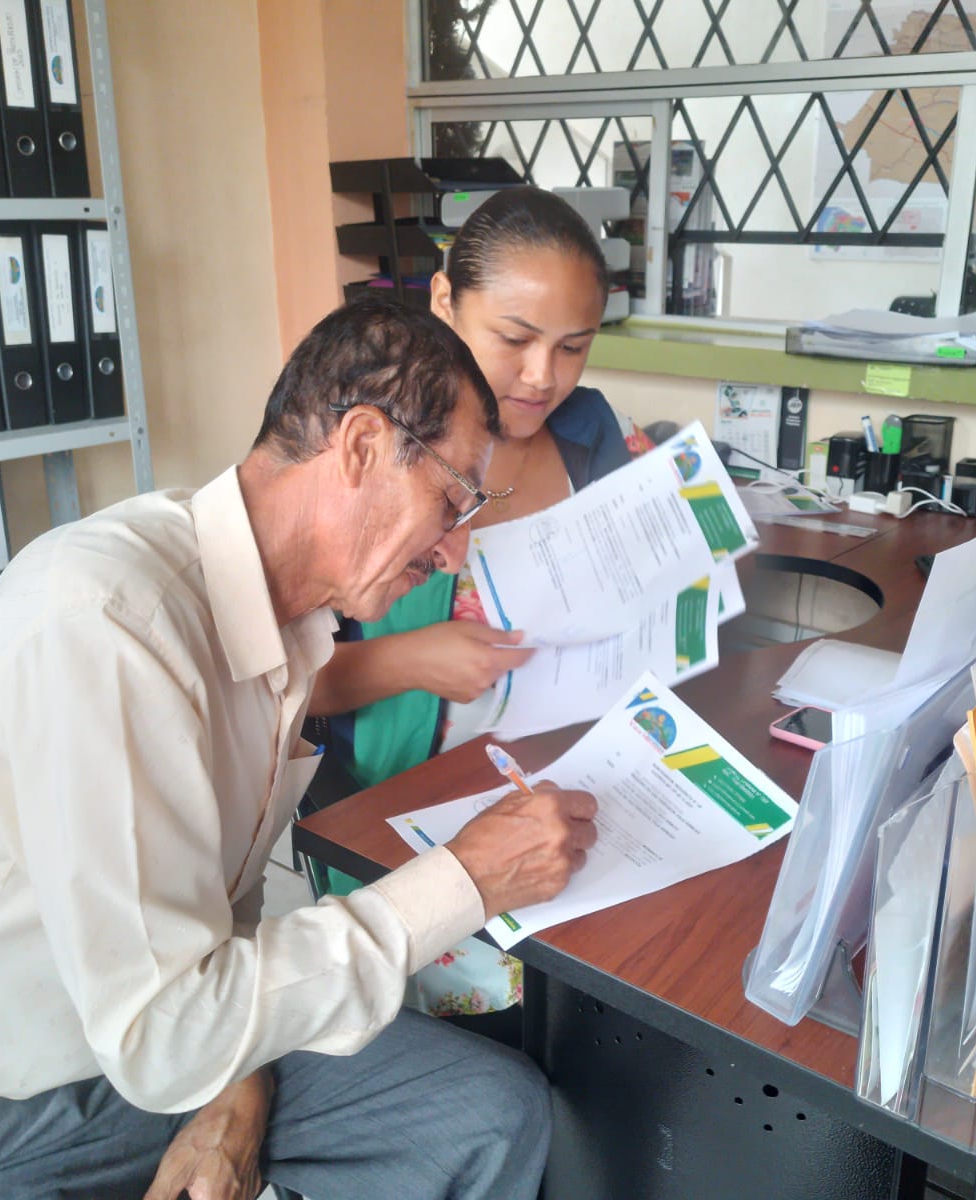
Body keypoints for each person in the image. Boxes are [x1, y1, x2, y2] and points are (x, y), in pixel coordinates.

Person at [0, 298, 599, 1200]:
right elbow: (165, 1036)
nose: (454, 552)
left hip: (140, 1048)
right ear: (361, 445)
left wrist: (238, 1085)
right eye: (454, 500)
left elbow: (213, 921)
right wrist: (466, 880)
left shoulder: (284, 618)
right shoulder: (107, 625)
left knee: (488, 1114)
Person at [310, 186, 653, 1021]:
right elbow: (284, 687)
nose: (543, 377)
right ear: (443, 301)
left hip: (569, 802)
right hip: (406, 825)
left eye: (574, 347)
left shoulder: (593, 437)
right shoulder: (370, 453)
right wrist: (408, 660)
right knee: (490, 1038)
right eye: (515, 338)